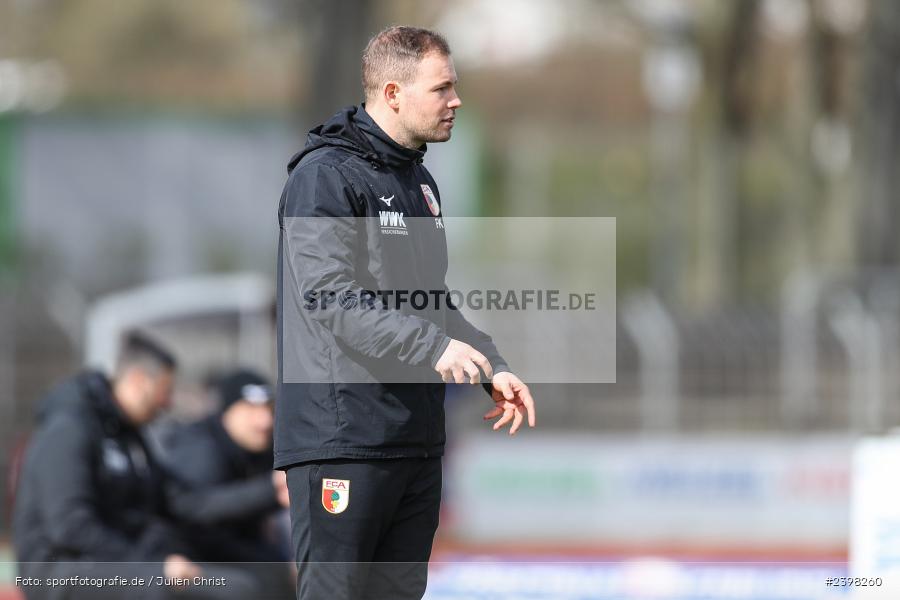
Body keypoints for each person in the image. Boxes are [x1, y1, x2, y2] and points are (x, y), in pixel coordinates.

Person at [276, 26, 537, 600]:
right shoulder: (324, 177)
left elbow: (430, 301)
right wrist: (433, 348)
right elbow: (330, 296)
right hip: (344, 439)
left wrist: (491, 364)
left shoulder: (419, 182)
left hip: (414, 439)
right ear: (393, 93)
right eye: (442, 88)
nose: (456, 101)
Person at [13, 332, 290, 600]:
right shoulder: (69, 429)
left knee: (240, 587)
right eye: (164, 391)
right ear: (138, 380)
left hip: (123, 563)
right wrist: (151, 565)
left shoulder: (129, 436)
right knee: (162, 589)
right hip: (60, 571)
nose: (167, 403)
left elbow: (186, 501)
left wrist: (271, 489)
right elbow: (70, 527)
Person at [163, 369, 294, 597]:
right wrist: (271, 489)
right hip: (185, 558)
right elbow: (194, 508)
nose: (264, 420)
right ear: (227, 411)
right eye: (251, 409)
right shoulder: (200, 447)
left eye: (269, 409)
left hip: (230, 552)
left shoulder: (260, 448)